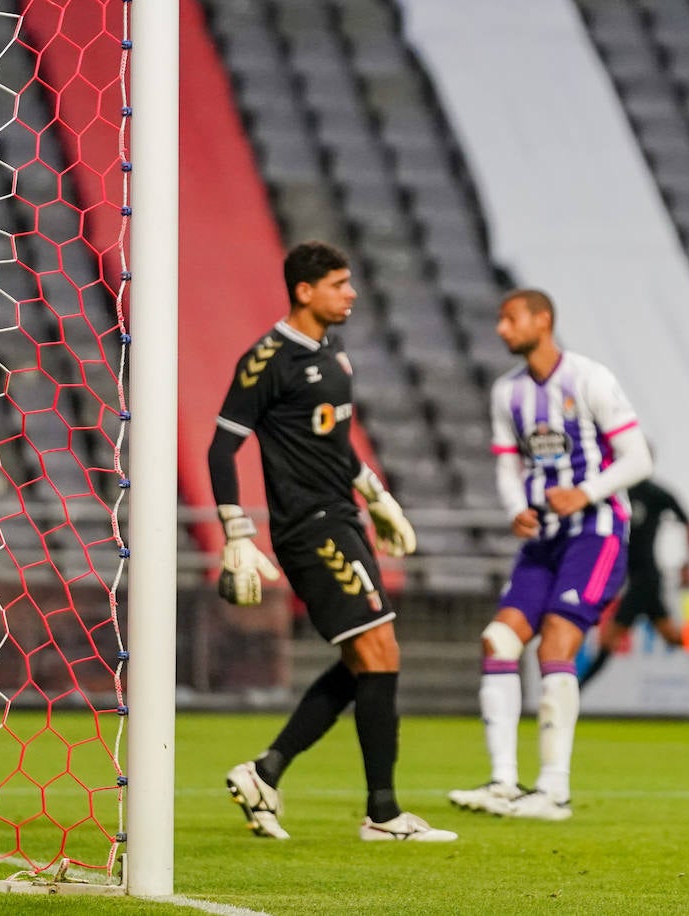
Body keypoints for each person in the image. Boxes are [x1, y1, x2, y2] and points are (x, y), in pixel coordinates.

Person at [208, 240, 456, 843]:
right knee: (380, 652)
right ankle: (385, 814)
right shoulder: (268, 359)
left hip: (343, 516)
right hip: (307, 527)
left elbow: (335, 445)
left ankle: (265, 772)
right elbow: (222, 446)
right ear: (305, 290)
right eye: (340, 284)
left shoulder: (332, 351)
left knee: (363, 658)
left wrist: (377, 496)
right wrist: (237, 532)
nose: (351, 294)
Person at [448, 288, 653, 822]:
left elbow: (638, 459)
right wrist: (517, 508)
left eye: (510, 318)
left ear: (543, 320)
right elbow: (507, 467)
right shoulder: (507, 393)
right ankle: (502, 782)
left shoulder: (589, 378)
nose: (501, 329)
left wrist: (585, 493)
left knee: (557, 642)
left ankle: (554, 792)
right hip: (543, 538)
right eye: (499, 319)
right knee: (498, 639)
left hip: (598, 531)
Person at [578, 478, 689, 689]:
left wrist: (687, 563)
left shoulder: (654, 493)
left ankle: (576, 692)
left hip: (645, 579)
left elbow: (688, 522)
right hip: (637, 578)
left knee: (608, 641)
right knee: (674, 638)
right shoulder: (619, 492)